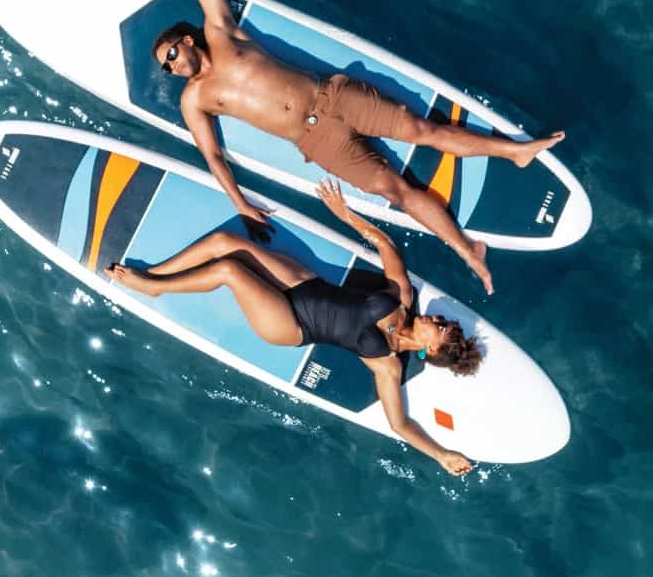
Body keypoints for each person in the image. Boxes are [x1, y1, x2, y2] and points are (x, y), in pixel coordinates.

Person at [101, 0, 563, 293]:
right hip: (316, 143)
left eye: (173, 53)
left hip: (334, 97)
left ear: (188, 39)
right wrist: (239, 203)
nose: (173, 65)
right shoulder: (194, 100)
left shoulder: (220, 32)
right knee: (396, 193)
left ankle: (516, 152)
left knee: (424, 131)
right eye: (166, 65)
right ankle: (468, 251)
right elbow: (213, 156)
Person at [107, 180, 483, 475]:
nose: (440, 319)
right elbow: (387, 246)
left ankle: (152, 287)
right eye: (446, 321)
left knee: (229, 269)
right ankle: (153, 272)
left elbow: (399, 423)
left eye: (443, 328)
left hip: (291, 324)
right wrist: (345, 214)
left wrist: (441, 454)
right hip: (304, 284)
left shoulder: (387, 363)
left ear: (431, 350)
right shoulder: (401, 297)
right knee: (225, 242)